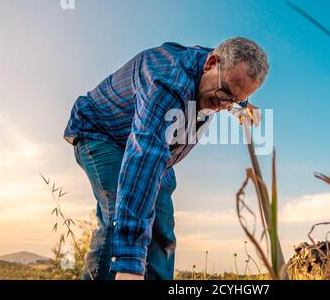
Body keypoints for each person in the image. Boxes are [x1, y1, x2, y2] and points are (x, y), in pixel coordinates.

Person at [63, 37, 269, 280]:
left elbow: (231, 89)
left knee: (161, 230)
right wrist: (129, 265)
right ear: (211, 63)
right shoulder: (166, 84)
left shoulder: (220, 73)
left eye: (234, 100)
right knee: (118, 215)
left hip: (156, 147)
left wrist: (242, 106)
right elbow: (144, 159)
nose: (224, 105)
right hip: (102, 134)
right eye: (225, 94)